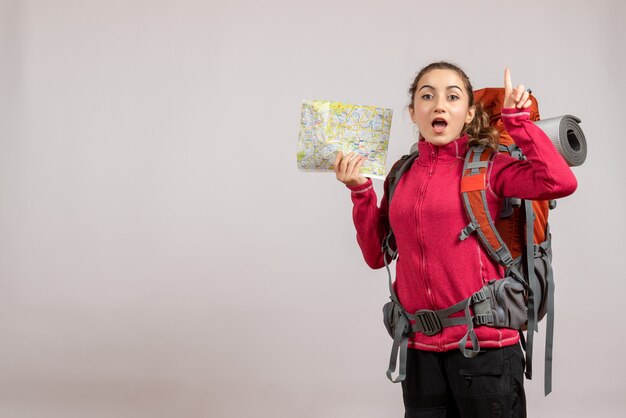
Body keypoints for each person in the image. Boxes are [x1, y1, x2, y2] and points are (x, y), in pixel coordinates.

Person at [333, 61, 577, 418]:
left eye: (452, 96)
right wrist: (360, 191)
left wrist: (517, 122)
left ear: (468, 112)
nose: (439, 105)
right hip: (418, 349)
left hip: (485, 349)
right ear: (413, 112)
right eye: (427, 96)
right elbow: (375, 255)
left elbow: (561, 183)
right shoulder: (401, 174)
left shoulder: (491, 166)